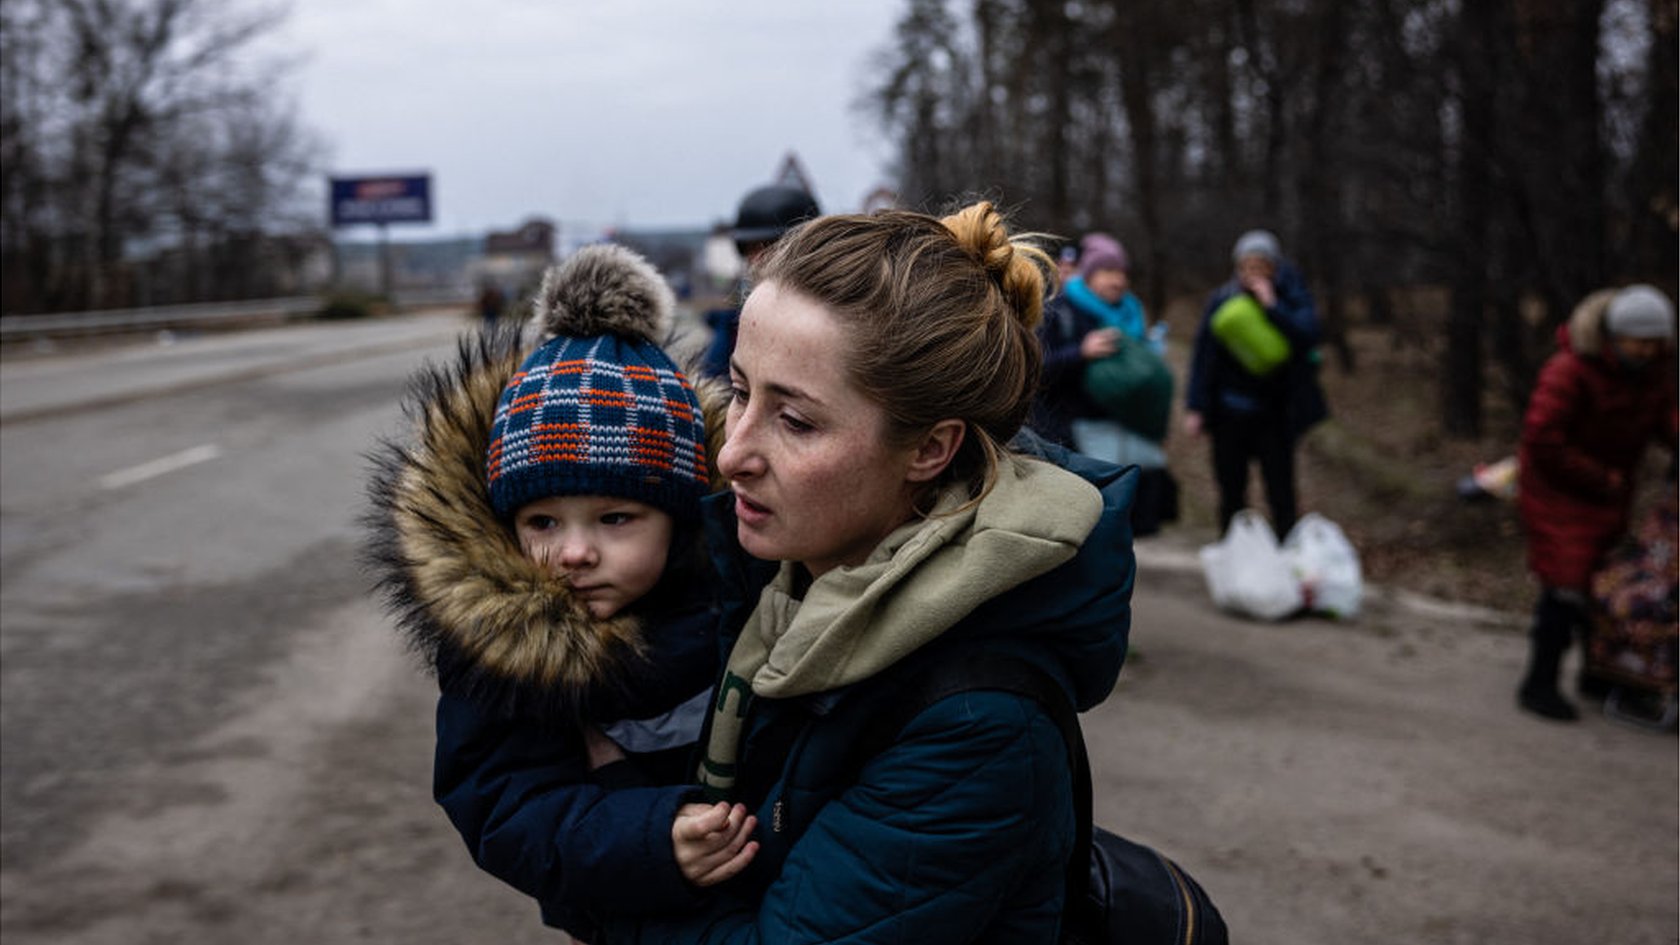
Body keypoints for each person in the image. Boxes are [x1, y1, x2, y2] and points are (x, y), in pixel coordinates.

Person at [596, 201, 1136, 941]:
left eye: (796, 421)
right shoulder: (786, 575)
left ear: (930, 450)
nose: (732, 454)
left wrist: (608, 874)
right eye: (742, 391)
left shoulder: (979, 729)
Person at [365, 244, 757, 937]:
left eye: (616, 518)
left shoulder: (747, 599)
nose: (573, 552)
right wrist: (647, 837)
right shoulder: (507, 646)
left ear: (684, 517)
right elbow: (505, 806)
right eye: (542, 521)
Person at [1515, 283, 1678, 721]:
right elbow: (1543, 438)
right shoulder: (1569, 370)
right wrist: (1599, 476)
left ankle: (1601, 676)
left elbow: (1668, 420)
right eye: (1638, 341)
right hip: (1557, 490)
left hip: (1609, 491)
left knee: (1604, 585)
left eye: (1655, 342)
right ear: (1615, 336)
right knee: (1566, 583)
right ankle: (1539, 683)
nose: (1646, 350)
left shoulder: (1653, 376)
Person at [1183, 228, 1327, 537]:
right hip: (1228, 413)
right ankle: (1235, 556)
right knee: (1231, 491)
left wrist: (1272, 305)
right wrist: (1196, 407)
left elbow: (1309, 336)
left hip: (1277, 412)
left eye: (1261, 265)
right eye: (1247, 265)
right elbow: (1204, 355)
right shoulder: (1223, 298)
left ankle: (1288, 558)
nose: (1253, 272)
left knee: (1281, 491)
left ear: (1274, 267)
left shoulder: (1292, 294)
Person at [698, 184, 821, 379]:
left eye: (772, 247)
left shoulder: (833, 321)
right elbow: (715, 384)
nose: (758, 259)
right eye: (752, 248)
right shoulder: (731, 326)